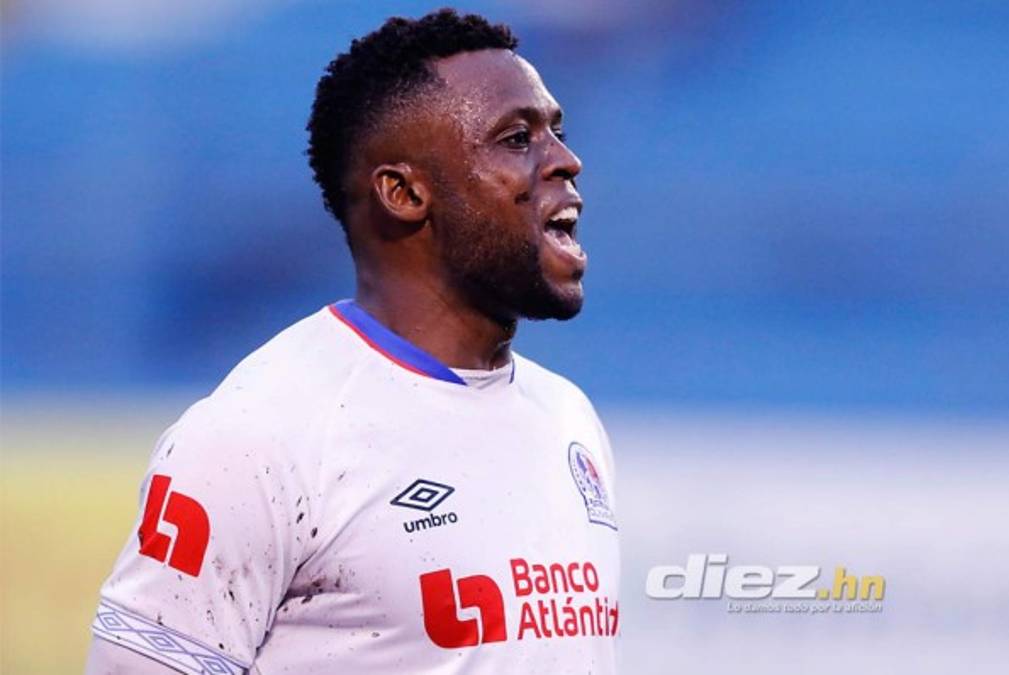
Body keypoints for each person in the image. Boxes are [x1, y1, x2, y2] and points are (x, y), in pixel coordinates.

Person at [86, 9, 619, 674]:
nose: (566, 160)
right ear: (403, 192)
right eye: (517, 138)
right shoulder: (259, 439)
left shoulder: (569, 417)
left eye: (556, 132)